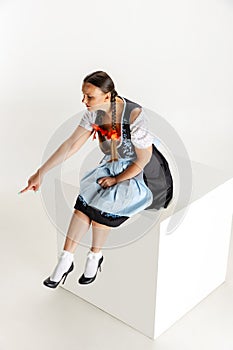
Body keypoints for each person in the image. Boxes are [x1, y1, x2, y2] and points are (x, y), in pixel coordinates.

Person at [19, 70, 156, 288]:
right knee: (83, 204)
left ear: (108, 95)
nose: (84, 101)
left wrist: (117, 179)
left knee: (102, 208)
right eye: (83, 95)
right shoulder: (94, 113)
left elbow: (143, 160)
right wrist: (41, 172)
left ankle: (95, 256)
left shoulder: (134, 116)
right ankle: (65, 260)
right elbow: (71, 144)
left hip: (136, 174)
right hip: (109, 167)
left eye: (89, 96)